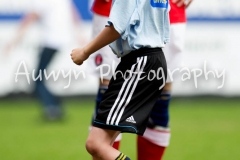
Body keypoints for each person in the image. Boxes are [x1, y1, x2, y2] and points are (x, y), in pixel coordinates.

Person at [88, 0, 193, 159]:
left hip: (164, 13)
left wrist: (84, 52)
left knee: (158, 104)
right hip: (111, 9)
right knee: (107, 103)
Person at [71, 0, 170, 159]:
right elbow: (165, 28)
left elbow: (117, 27)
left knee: (96, 144)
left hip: (139, 63)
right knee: (102, 145)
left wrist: (85, 51)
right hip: (152, 59)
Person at [6, 0, 79, 120]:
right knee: (39, 78)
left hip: (51, 41)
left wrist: (14, 41)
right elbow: (73, 13)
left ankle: (53, 108)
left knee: (37, 80)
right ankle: (54, 105)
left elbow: (30, 18)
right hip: (61, 40)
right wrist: (78, 33)